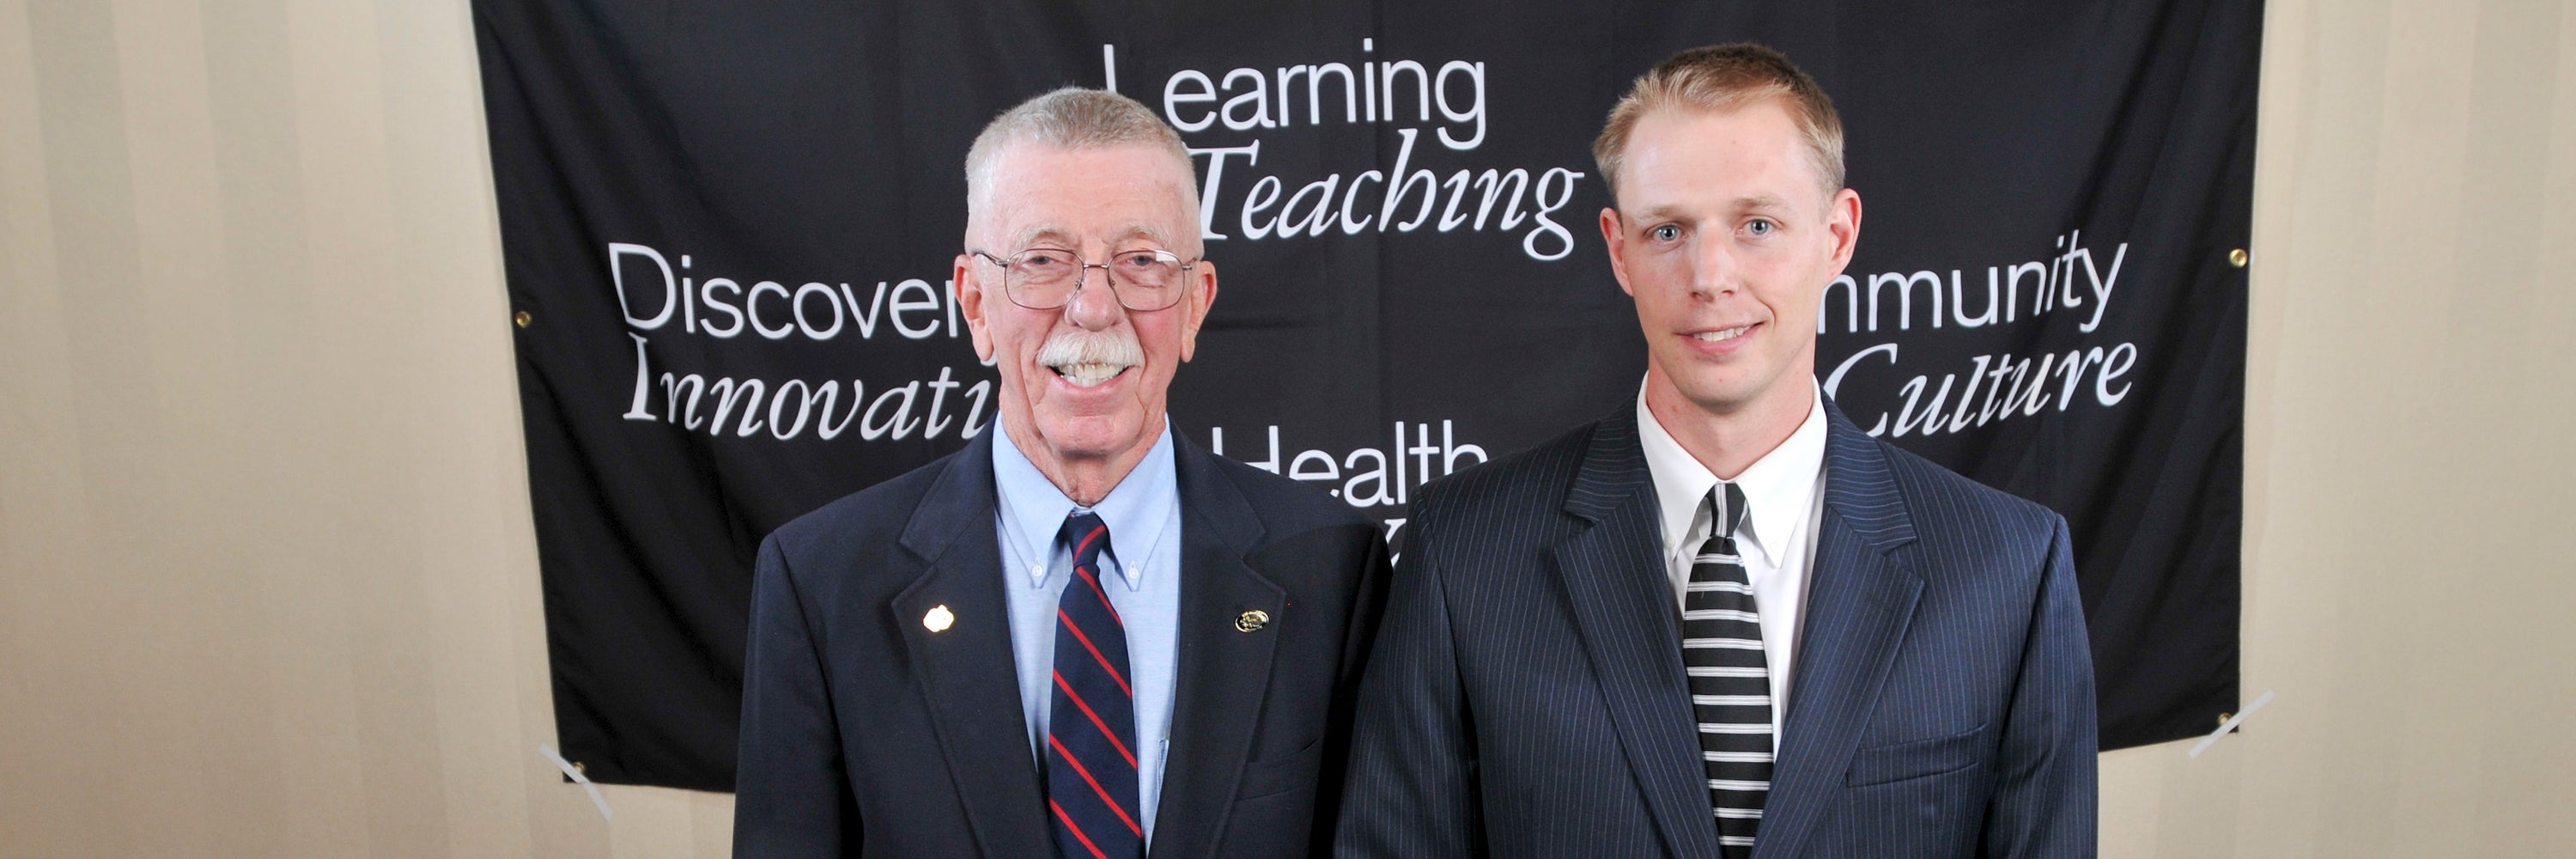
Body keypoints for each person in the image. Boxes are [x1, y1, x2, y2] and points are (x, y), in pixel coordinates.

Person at [1336, 44, 2096, 858]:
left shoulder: (2009, 565)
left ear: (1837, 236)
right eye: (1667, 230)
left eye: (1757, 224)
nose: (1710, 274)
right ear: (1618, 249)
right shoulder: (1466, 550)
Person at [735, 87, 1390, 859]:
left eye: (1141, 262)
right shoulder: (819, 582)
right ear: (975, 303)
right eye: (1043, 262)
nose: (1092, 308)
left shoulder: (1332, 568)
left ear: (1193, 306)